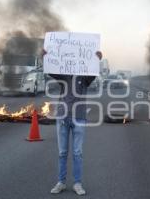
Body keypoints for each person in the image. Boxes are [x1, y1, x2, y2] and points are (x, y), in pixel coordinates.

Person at [43, 49, 103, 195]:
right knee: (62, 152)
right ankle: (61, 182)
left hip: (79, 117)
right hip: (63, 116)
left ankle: (77, 183)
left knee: (77, 153)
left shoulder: (85, 76)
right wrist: (45, 56)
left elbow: (94, 73)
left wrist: (97, 60)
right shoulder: (63, 74)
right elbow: (51, 70)